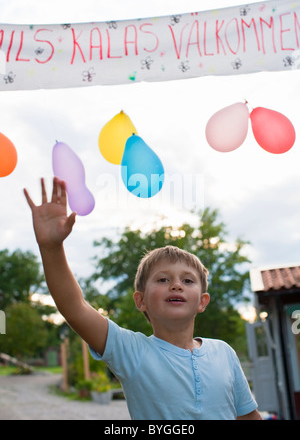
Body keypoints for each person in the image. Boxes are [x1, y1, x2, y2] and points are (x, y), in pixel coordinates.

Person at [24, 177, 262, 420]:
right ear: (141, 301)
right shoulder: (131, 351)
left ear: (202, 301)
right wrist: (51, 248)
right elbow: (75, 308)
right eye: (162, 280)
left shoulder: (224, 353)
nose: (176, 285)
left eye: (188, 280)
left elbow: (249, 416)